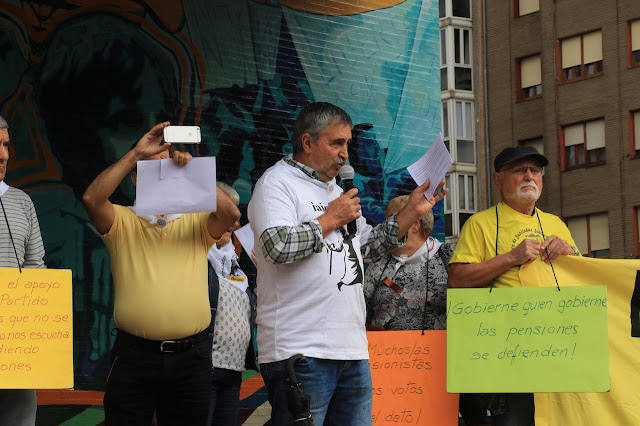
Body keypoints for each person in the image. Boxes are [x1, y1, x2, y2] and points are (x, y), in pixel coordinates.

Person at [247, 101, 447, 425]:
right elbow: (276, 246)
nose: (345, 154)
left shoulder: (335, 191)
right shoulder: (277, 183)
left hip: (351, 351)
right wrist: (330, 219)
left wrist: (411, 212)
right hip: (302, 350)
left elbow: (367, 246)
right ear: (308, 143)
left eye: (347, 144)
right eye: (336, 143)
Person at [82, 122, 240, 426]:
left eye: (168, 170)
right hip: (133, 357)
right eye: (152, 171)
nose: (163, 177)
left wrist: (192, 173)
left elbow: (231, 214)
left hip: (191, 358)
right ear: (135, 178)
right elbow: (92, 199)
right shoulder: (123, 220)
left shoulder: (195, 220)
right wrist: (136, 153)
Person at [448, 146, 580, 426]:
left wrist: (571, 253)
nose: (529, 176)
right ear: (498, 180)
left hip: (556, 350)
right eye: (519, 170)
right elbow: (457, 280)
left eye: (535, 170)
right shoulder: (479, 224)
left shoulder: (556, 224)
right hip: (506, 353)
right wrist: (511, 257)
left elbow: (582, 281)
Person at [0, 115, 46, 425]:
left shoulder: (21, 202)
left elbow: (36, 271)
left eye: (5, 145)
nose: (3, 155)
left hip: (15, 343)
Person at [206, 182, 257, 425]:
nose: (235, 223)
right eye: (228, 214)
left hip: (233, 370)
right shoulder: (194, 255)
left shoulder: (234, 262)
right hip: (204, 369)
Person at [364, 195, 455, 331]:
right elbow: (361, 314)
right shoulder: (378, 263)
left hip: (438, 350)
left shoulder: (449, 255)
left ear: (416, 224)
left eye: (392, 220)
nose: (385, 227)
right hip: (386, 350)